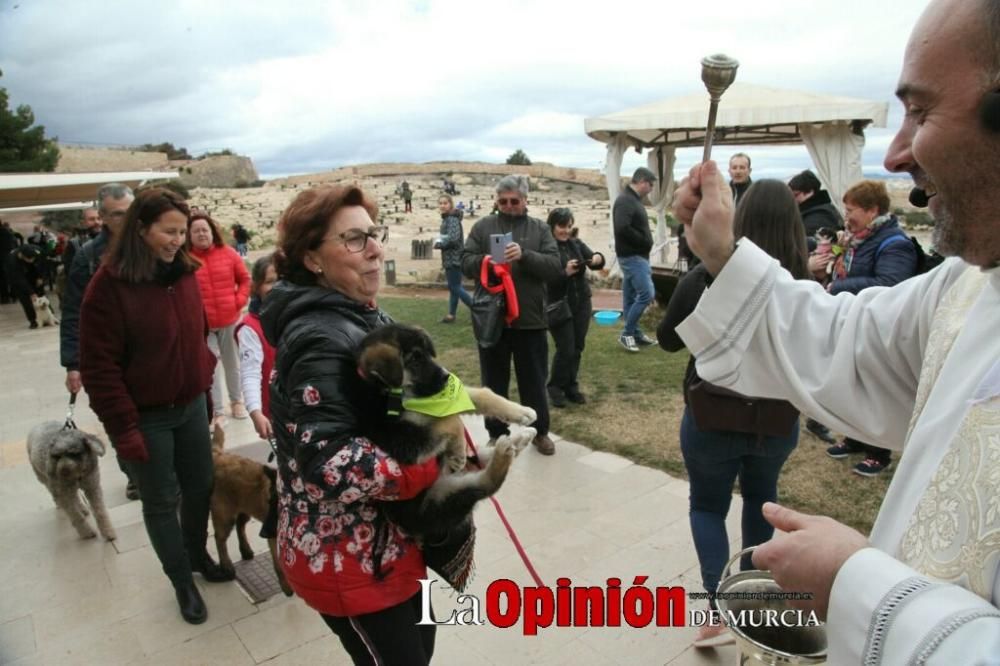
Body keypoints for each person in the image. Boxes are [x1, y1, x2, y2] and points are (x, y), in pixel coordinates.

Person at [670, 0, 1000, 658]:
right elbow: (848, 343)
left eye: (923, 111)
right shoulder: (972, 288)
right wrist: (722, 253)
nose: (898, 152)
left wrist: (859, 586)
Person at [259, 184, 441, 665]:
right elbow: (328, 463)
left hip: (391, 546)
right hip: (351, 563)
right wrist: (428, 460)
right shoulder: (318, 336)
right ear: (313, 259)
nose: (376, 249)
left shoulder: (357, 312)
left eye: (373, 234)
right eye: (355, 239)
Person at [658, 180, 808, 648]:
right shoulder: (806, 284)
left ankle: (717, 607)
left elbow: (666, 339)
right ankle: (752, 600)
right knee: (762, 502)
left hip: (712, 416)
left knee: (707, 505)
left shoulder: (705, 276)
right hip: (775, 421)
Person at [79, 187, 230, 626]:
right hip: (145, 418)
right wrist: (124, 430)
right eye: (169, 231)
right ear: (141, 229)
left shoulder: (184, 273)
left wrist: (204, 390)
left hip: (189, 408)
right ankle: (181, 579)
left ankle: (196, 554)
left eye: (183, 231)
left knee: (200, 485)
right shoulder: (108, 286)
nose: (178, 240)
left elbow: (196, 335)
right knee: (162, 500)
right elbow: (98, 367)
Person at [815, 180, 919, 476]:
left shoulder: (894, 243)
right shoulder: (856, 238)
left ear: (872, 210)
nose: (846, 216)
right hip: (855, 321)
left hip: (876, 328)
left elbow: (890, 284)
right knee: (855, 383)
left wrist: (838, 286)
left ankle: (879, 452)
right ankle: (855, 438)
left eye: (851, 210)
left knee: (875, 387)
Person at [462, 175, 562, 455]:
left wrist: (525, 255)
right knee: (493, 382)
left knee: (533, 381)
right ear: (496, 200)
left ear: (525, 200)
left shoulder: (540, 229)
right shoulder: (483, 227)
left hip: (529, 321)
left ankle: (539, 432)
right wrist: (484, 261)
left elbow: (555, 267)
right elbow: (465, 262)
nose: (508, 206)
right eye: (503, 201)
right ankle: (497, 433)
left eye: (514, 201)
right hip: (492, 321)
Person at [60, 184, 138, 499]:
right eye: (118, 214)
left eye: (130, 212)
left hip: (145, 351)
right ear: (103, 217)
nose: (126, 219)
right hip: (107, 356)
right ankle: (133, 473)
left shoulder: (149, 247)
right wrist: (72, 363)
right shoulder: (88, 256)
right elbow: (72, 311)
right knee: (118, 415)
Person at [187, 211, 251, 425]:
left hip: (229, 320)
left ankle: (237, 402)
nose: (201, 234)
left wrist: (238, 301)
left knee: (232, 364)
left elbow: (245, 279)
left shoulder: (230, 253)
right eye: (196, 231)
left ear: (212, 231)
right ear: (189, 234)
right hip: (202, 326)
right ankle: (217, 411)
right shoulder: (185, 259)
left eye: (205, 229)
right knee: (210, 368)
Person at [544, 207, 605, 408]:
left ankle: (571, 386)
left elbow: (595, 261)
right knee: (566, 348)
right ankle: (554, 388)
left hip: (581, 303)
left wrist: (597, 257)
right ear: (552, 226)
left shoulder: (575, 243)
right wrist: (565, 273)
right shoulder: (547, 248)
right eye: (562, 226)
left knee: (577, 347)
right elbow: (546, 279)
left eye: (569, 226)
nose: (566, 231)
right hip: (559, 305)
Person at [613, 167, 657, 353]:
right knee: (647, 294)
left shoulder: (632, 200)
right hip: (633, 256)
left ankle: (635, 333)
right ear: (642, 181)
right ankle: (627, 333)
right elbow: (622, 228)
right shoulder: (625, 201)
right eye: (651, 184)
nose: (651, 188)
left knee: (630, 298)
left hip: (636, 255)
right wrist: (643, 242)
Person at [235, 253, 277, 441]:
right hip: (278, 413)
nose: (277, 287)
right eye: (270, 281)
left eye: (283, 280)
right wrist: (255, 411)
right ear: (257, 287)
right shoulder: (250, 329)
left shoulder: (301, 315)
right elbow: (250, 372)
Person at [435, 194, 473, 323]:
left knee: (455, 287)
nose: (442, 205)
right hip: (450, 257)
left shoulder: (451, 219)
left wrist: (440, 244)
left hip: (454, 258)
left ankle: (477, 308)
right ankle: (451, 315)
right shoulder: (447, 219)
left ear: (451, 204)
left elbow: (453, 238)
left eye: (445, 203)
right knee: (454, 287)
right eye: (440, 203)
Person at [788, 169, 843, 249]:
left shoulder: (819, 216)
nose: (792, 199)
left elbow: (806, 247)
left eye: (795, 195)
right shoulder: (822, 209)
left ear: (810, 191)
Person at [4, 244, 44, 328]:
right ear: (22, 256)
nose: (32, 260)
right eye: (30, 259)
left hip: (30, 274)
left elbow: (39, 264)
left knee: (41, 295)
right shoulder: (12, 261)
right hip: (16, 280)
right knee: (26, 301)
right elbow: (20, 279)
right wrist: (31, 293)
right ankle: (33, 320)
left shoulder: (34, 250)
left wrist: (40, 276)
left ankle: (47, 316)